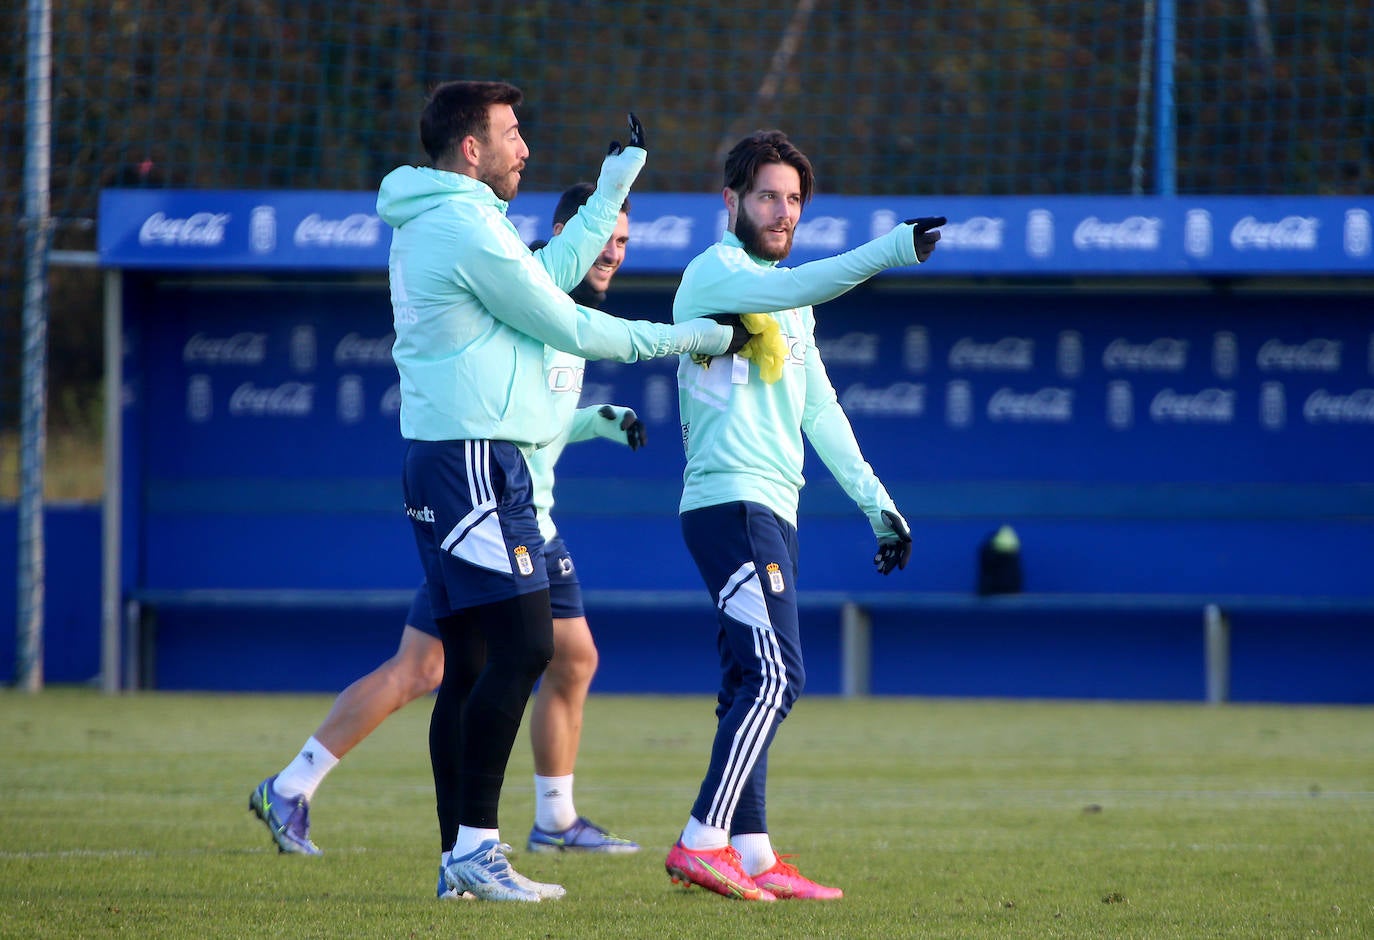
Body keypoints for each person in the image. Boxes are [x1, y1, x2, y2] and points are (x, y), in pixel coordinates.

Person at [376, 81, 745, 904]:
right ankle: (475, 847)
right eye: (513, 134)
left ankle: (458, 862)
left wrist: (617, 180)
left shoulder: (456, 218)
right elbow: (570, 321)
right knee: (528, 647)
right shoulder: (463, 223)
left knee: (473, 660)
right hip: (469, 460)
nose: (525, 149)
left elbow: (551, 274)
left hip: (463, 459)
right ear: (472, 150)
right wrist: (695, 338)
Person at [247, 185, 645, 875]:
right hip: (488, 512)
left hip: (531, 523)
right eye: (603, 236)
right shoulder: (522, 291)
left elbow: (536, 419)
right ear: (564, 232)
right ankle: (294, 788)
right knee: (427, 669)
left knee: (571, 658)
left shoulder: (568, 312)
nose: (612, 251)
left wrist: (597, 420)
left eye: (622, 242)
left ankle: (552, 819)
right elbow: (497, 413)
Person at [662, 129, 944, 902]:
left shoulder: (790, 304)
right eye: (766, 196)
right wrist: (890, 250)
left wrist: (880, 506)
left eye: (793, 200)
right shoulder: (715, 272)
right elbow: (798, 288)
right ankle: (700, 841)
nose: (782, 211)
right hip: (732, 502)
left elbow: (820, 410)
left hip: (771, 509)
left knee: (747, 678)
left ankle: (751, 853)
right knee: (779, 673)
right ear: (731, 202)